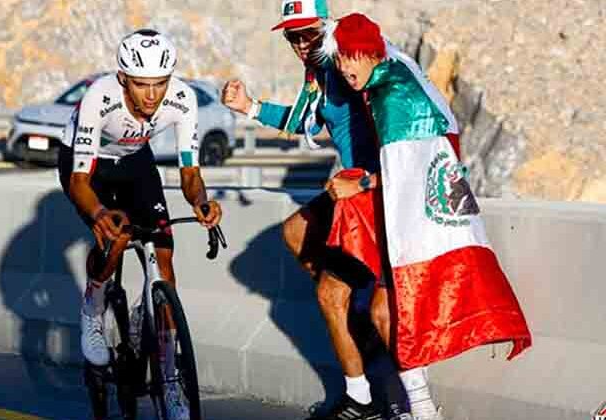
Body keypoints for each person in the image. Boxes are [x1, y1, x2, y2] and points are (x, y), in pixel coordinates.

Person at [320, 12, 533, 419]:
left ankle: (421, 409)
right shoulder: (385, 78)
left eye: (350, 56)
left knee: (387, 311)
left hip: (418, 216)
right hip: (413, 206)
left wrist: (359, 184)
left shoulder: (392, 97)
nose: (344, 66)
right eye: (340, 57)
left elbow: (407, 172)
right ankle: (419, 407)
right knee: (383, 310)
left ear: (371, 52)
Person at [222, 2, 414, 419]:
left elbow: (398, 110)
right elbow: (304, 121)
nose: (300, 45)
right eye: (292, 37)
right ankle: (356, 325)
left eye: (307, 34)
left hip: (373, 191)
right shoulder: (319, 70)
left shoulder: (346, 62)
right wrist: (249, 107)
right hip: (351, 190)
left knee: (330, 293)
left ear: (326, 28)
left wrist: (376, 180)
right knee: (295, 232)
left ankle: (364, 397)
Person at [58, 29, 222, 420]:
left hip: (135, 162)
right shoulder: (99, 97)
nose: (152, 95)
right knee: (115, 238)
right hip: (88, 165)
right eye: (141, 85)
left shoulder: (182, 99)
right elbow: (79, 183)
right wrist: (99, 214)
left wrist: (200, 201)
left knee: (164, 261)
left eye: (160, 84)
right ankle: (93, 309)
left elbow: (190, 174)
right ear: (122, 79)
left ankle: (170, 382)